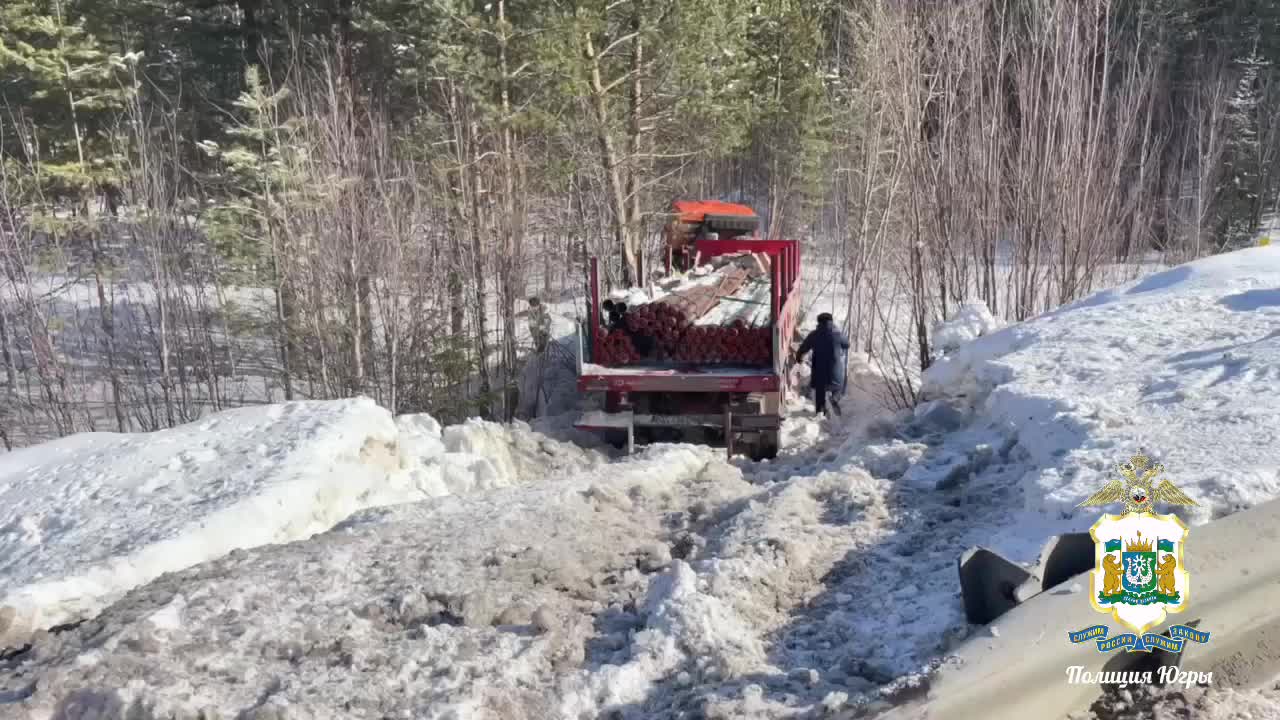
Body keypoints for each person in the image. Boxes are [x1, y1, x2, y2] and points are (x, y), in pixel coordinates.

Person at [796, 312, 850, 418]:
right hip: (836, 373)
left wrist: (799, 359)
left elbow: (802, 349)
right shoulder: (838, 334)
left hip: (819, 374)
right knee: (838, 387)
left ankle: (820, 412)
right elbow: (847, 344)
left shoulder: (814, 335)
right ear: (831, 322)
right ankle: (835, 398)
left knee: (820, 391)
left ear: (819, 322)